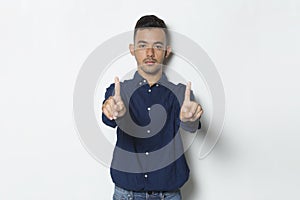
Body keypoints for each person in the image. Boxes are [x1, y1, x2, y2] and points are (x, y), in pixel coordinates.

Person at [102, 15, 203, 200]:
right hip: (127, 195)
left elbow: (191, 124)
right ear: (132, 50)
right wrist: (112, 110)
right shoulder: (119, 91)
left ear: (167, 51)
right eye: (142, 45)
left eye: (157, 46)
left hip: (169, 195)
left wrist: (191, 118)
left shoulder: (181, 94)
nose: (149, 53)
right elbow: (109, 113)